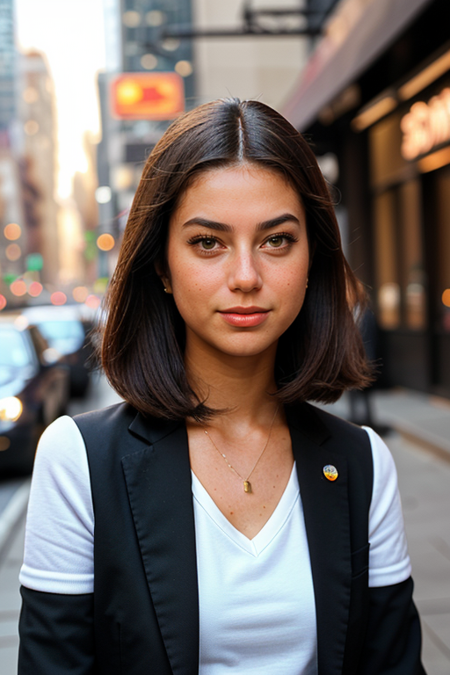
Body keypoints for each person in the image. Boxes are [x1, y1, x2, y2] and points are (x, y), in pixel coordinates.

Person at [18, 98, 426, 675]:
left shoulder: (363, 463)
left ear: (313, 257)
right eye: (208, 242)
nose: (245, 277)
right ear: (160, 264)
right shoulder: (78, 461)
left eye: (276, 240)